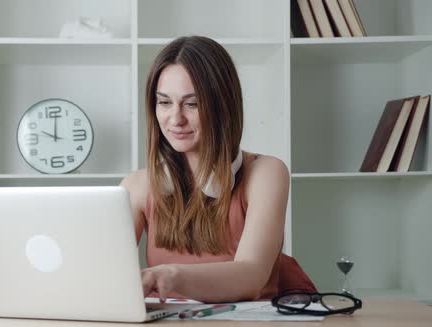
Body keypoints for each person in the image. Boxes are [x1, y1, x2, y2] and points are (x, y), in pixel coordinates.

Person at [120, 36, 316, 303]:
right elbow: (103, 273)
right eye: (164, 102)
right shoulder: (137, 185)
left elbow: (252, 276)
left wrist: (172, 275)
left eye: (192, 104)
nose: (175, 119)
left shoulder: (265, 173)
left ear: (222, 107)